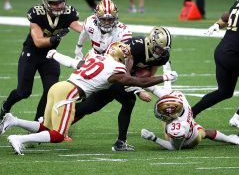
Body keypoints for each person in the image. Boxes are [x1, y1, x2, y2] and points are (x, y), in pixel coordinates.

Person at [0, 42, 178, 155]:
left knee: (47, 127)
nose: (127, 60)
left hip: (58, 87)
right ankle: (19, 139)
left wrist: (55, 55)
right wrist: (165, 77)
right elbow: (139, 81)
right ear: (120, 57)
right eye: (126, 57)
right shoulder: (116, 70)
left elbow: (73, 63)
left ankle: (13, 120)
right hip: (69, 93)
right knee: (58, 135)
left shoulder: (96, 56)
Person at [73, 26, 172, 151]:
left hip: (123, 79)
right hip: (111, 74)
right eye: (159, 48)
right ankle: (121, 142)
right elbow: (123, 74)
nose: (161, 52)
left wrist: (140, 82)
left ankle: (55, 121)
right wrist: (139, 91)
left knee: (90, 106)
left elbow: (149, 76)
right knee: (127, 101)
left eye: (164, 49)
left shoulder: (163, 56)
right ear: (151, 42)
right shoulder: (135, 47)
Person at [0, 0, 82, 122]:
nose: (58, 6)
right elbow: (38, 41)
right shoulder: (37, 13)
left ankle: (37, 122)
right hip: (31, 54)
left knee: (51, 90)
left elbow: (81, 28)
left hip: (49, 55)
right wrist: (55, 38)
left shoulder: (68, 13)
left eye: (61, 2)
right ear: (46, 2)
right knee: (23, 92)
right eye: (54, 3)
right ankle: (5, 107)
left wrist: (97, 28)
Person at [141, 91, 239, 150]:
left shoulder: (177, 127)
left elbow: (174, 148)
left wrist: (153, 138)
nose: (159, 112)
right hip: (187, 123)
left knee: (203, 133)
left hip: (190, 141)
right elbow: (163, 94)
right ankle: (229, 139)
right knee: (205, 132)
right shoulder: (181, 101)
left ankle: (229, 139)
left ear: (172, 114)